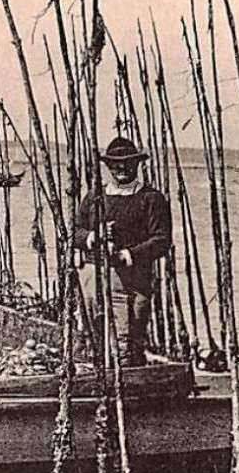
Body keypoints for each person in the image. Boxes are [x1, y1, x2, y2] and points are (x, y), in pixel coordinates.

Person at [71, 136, 172, 367]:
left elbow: (161, 240)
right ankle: (101, 382)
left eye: (127, 162)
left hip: (134, 278)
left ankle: (131, 385)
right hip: (93, 274)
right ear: (107, 166)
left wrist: (129, 255)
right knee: (96, 335)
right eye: (115, 163)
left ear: (137, 164)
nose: (121, 168)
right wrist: (92, 237)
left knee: (128, 338)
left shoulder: (151, 199)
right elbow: (73, 232)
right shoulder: (95, 197)